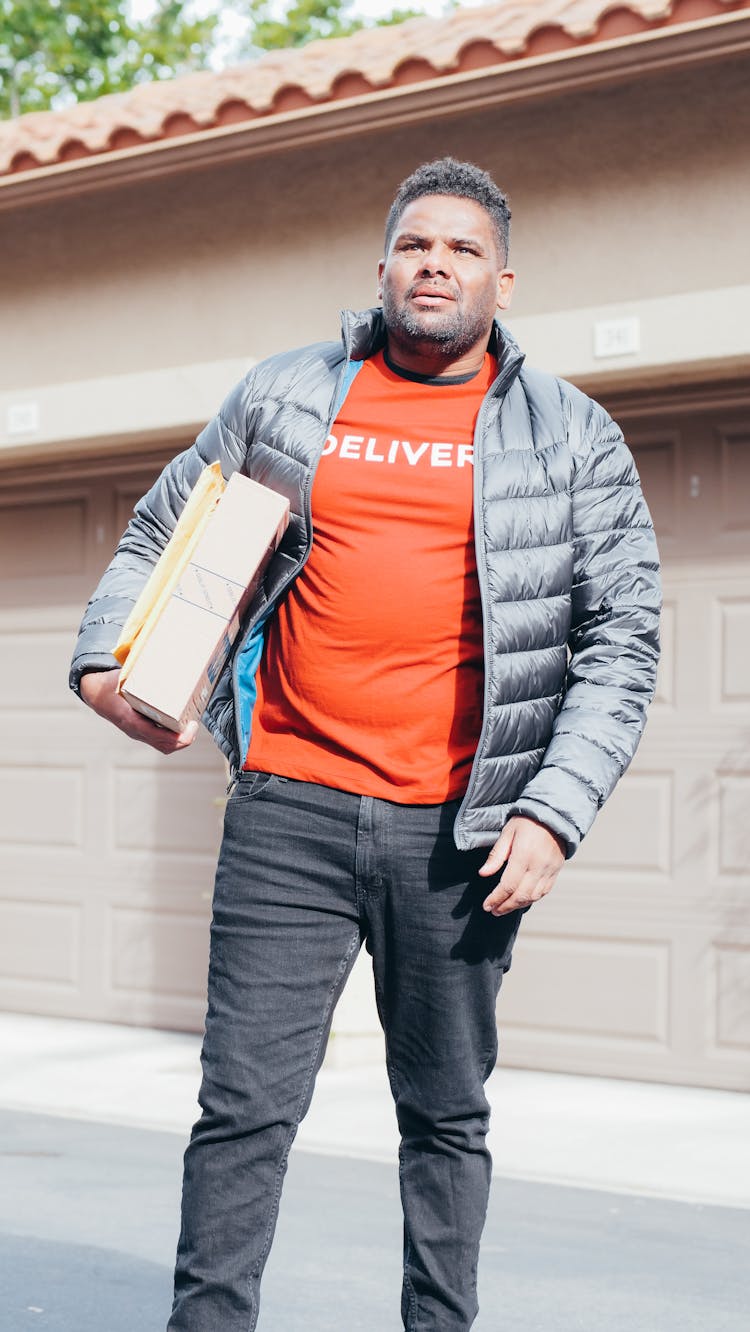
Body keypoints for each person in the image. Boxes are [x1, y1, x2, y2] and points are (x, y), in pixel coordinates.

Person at [71, 157, 661, 1331]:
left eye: (461, 248)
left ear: (503, 276)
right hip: (288, 807)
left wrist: (553, 812)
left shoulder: (571, 434)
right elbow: (161, 529)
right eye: (414, 243)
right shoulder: (288, 396)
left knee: (444, 1116)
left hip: (464, 829)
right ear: (382, 265)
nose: (434, 262)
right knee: (243, 1107)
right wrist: (103, 657)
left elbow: (623, 638)